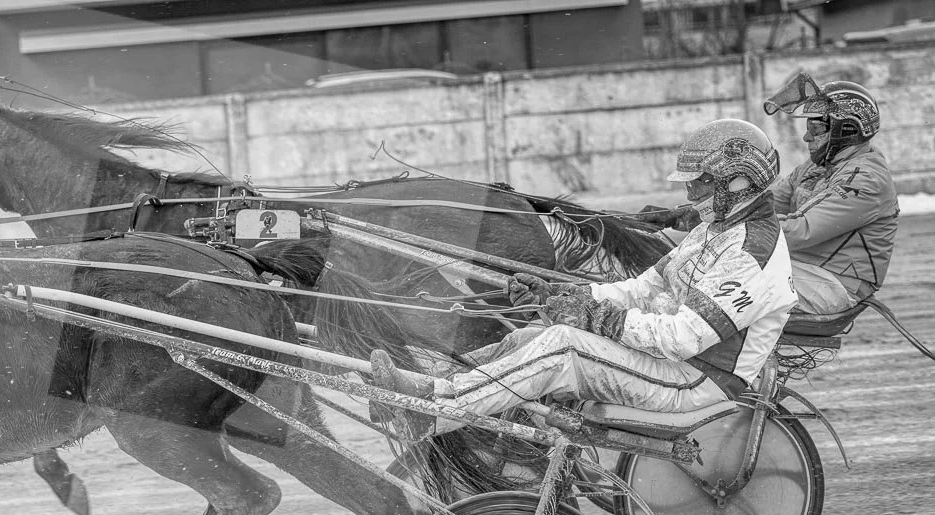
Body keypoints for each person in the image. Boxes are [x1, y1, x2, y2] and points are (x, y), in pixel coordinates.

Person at [371, 118, 797, 425]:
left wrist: (594, 319)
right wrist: (559, 298)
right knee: (526, 337)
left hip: (697, 382)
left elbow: (681, 339)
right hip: (669, 367)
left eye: (699, 181)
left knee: (562, 346)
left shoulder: (750, 254)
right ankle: (422, 386)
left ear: (737, 183)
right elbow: (641, 290)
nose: (688, 191)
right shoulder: (713, 231)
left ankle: (436, 411)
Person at [762, 75, 899, 315]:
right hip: (806, 269)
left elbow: (801, 230)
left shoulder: (865, 179)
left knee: (738, 284)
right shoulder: (819, 166)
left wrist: (736, 226)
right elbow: (768, 204)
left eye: (815, 128)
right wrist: (708, 214)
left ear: (845, 129)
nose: (806, 137)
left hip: (838, 283)